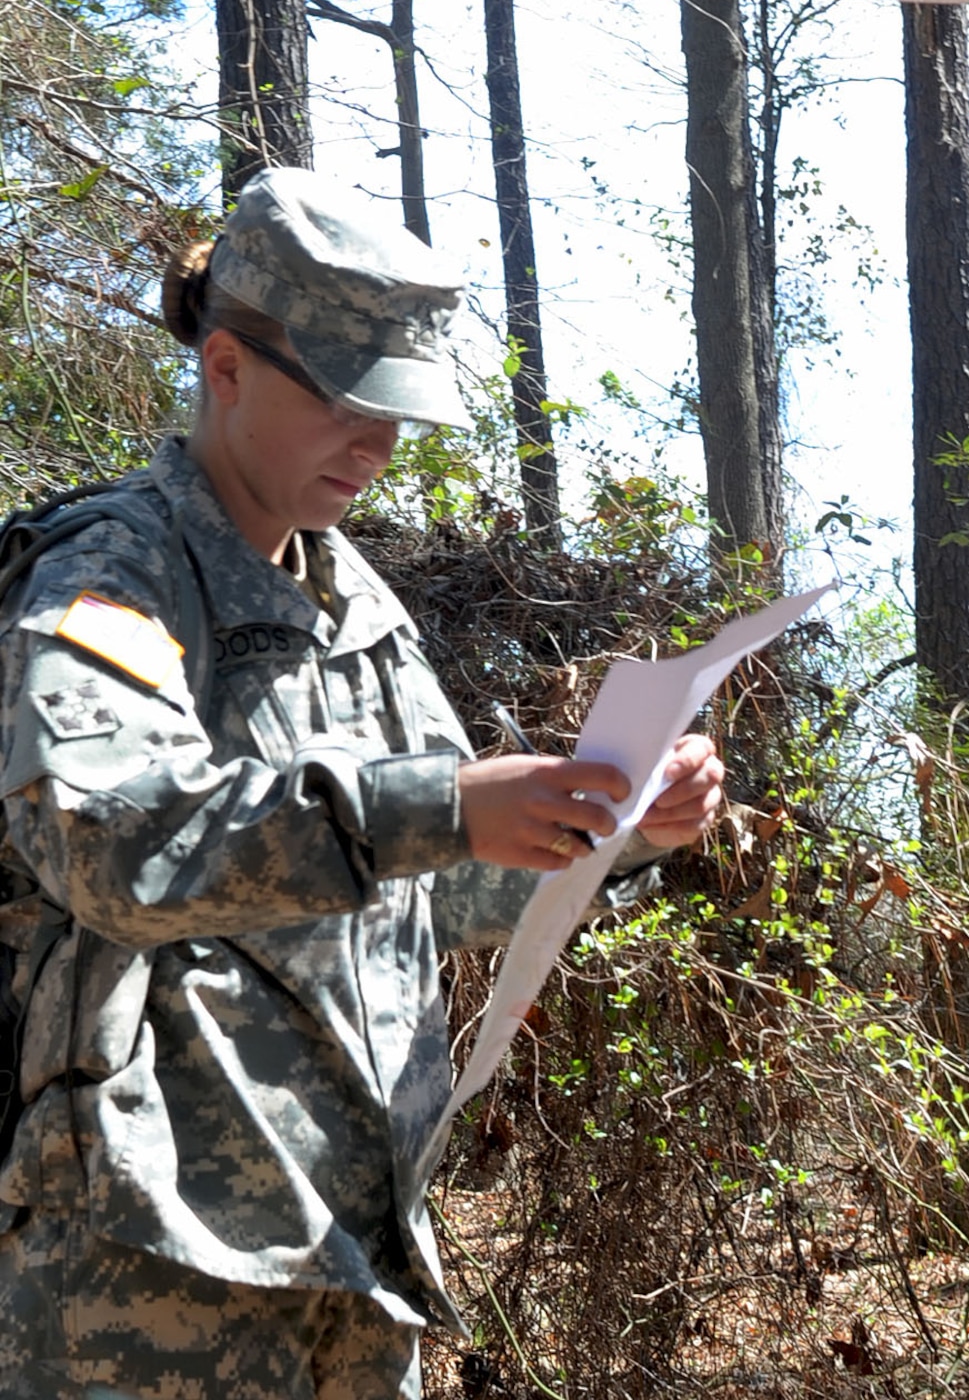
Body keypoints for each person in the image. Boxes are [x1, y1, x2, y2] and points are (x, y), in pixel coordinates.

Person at [0, 167, 724, 1400]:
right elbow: (110, 842)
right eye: (345, 397)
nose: (379, 439)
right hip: (144, 1272)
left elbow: (448, 897)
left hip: (351, 1257)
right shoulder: (112, 569)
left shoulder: (355, 603)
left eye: (399, 407)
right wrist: (438, 805)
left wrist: (612, 822)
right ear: (223, 368)